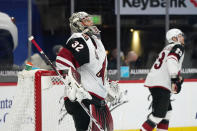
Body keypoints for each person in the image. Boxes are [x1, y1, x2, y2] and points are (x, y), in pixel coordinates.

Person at [55, 12, 120, 131]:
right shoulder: (77, 38)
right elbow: (63, 59)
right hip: (83, 96)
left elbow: (96, 69)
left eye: (90, 20)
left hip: (95, 97)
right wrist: (72, 83)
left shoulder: (95, 40)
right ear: (78, 24)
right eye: (86, 21)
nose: (90, 23)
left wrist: (106, 83)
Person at [140, 28, 185, 131]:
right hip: (161, 84)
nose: (182, 37)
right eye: (180, 35)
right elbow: (171, 60)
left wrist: (176, 78)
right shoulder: (178, 46)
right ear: (174, 38)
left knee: (167, 113)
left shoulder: (167, 47)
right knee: (158, 115)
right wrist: (174, 80)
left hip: (156, 82)